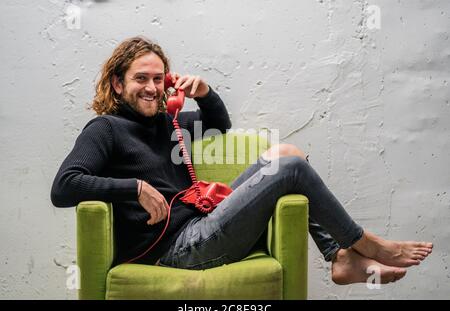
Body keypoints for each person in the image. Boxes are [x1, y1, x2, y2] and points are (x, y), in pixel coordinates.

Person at [51, 36, 433, 285]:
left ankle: (339, 257)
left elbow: (217, 125)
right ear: (118, 84)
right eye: (141, 79)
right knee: (291, 169)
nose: (152, 88)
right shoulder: (104, 129)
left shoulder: (165, 123)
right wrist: (132, 188)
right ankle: (368, 244)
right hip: (176, 250)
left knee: (288, 154)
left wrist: (204, 92)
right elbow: (64, 185)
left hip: (202, 223)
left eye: (159, 79)